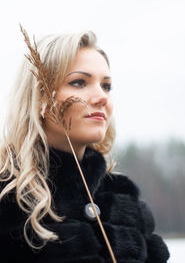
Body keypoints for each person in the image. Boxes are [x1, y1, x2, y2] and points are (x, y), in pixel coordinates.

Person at [0, 29, 170, 263]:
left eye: (106, 86)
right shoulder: (8, 197)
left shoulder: (123, 199)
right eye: (79, 82)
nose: (102, 97)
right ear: (40, 96)